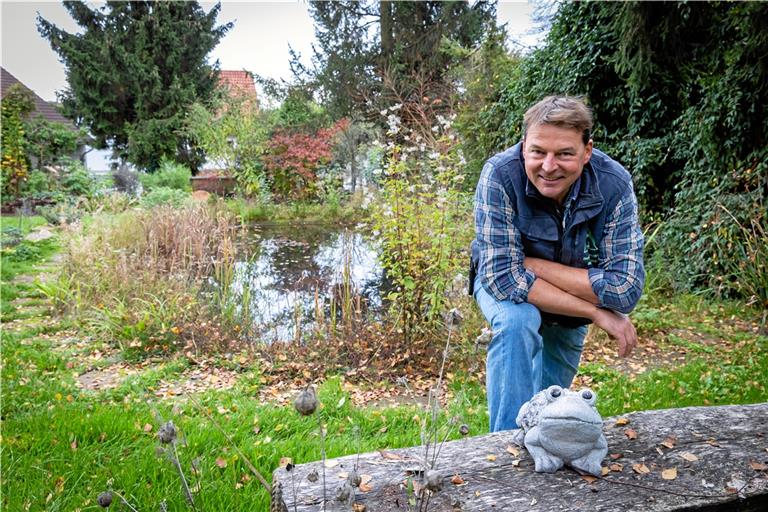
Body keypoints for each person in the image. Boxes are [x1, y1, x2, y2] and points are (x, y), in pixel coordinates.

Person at [470, 96, 644, 432]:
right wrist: (595, 311)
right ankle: (504, 447)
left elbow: (625, 290)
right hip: (504, 284)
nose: (549, 166)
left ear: (587, 151)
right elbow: (505, 279)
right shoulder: (499, 175)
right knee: (517, 322)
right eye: (538, 152)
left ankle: (539, 445)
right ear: (524, 147)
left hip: (562, 300)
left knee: (546, 404)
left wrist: (533, 263)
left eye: (564, 153)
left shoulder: (614, 184)